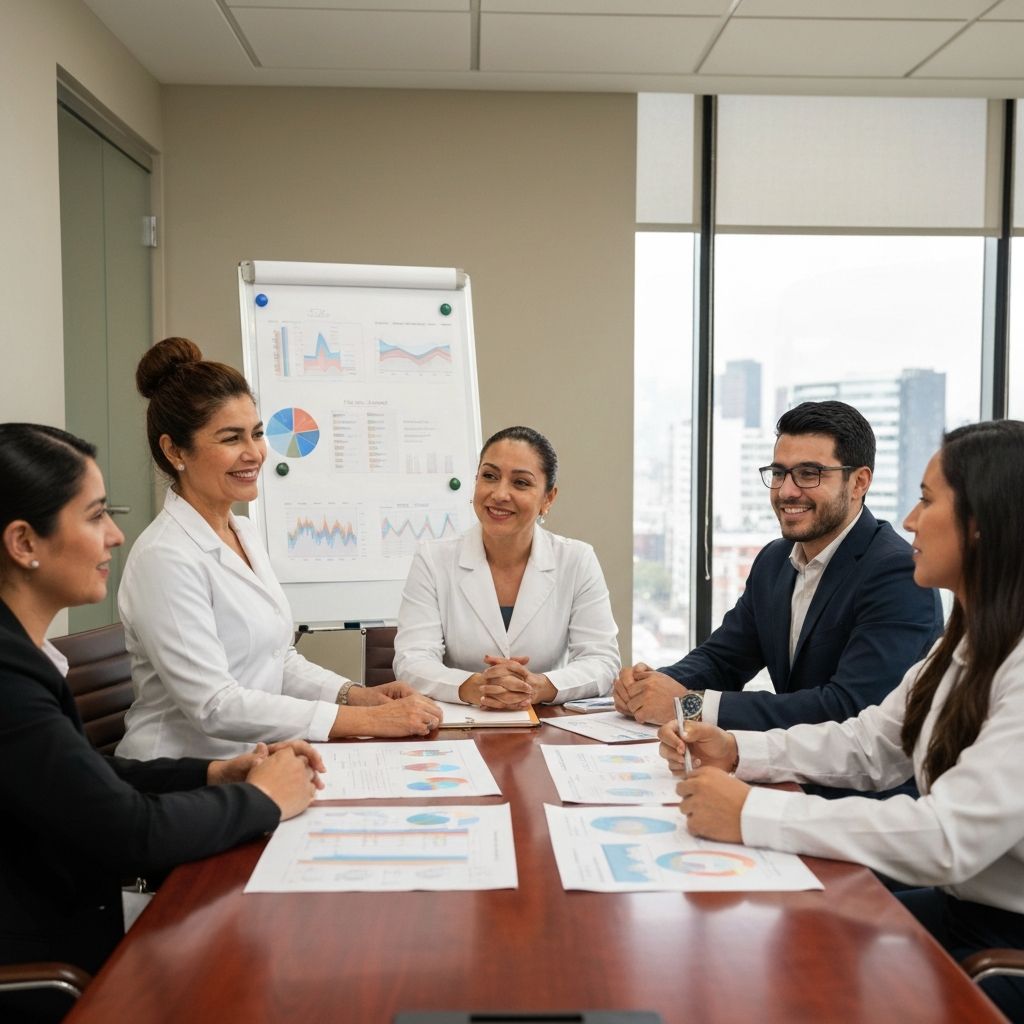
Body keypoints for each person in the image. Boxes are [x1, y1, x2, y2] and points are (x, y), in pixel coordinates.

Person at [658, 420, 1024, 1022]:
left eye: (929, 501)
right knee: (783, 937)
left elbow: (946, 838)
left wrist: (753, 811)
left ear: (984, 523)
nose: (909, 518)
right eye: (779, 472)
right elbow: (871, 743)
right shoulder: (969, 640)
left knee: (804, 976)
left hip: (1006, 943)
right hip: (963, 908)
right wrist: (736, 752)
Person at [0, 422, 321, 1018]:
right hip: (54, 975)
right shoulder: (8, 682)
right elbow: (129, 831)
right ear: (24, 544)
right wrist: (262, 801)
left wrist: (213, 775)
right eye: (95, 516)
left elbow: (85, 778)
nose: (116, 536)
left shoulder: (22, 659)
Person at [117, 338, 442, 761]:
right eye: (231, 438)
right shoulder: (164, 558)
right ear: (175, 450)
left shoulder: (244, 533)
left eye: (256, 433)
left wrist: (357, 696)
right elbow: (215, 705)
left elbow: (277, 660)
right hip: (180, 774)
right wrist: (368, 722)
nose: (254, 453)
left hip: (253, 759)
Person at [616, 401, 943, 736]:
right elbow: (723, 659)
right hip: (784, 766)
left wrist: (690, 706)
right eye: (778, 473)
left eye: (808, 473)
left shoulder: (898, 573)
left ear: (859, 483)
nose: (786, 491)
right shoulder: (775, 560)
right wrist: (649, 686)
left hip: (860, 785)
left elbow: (849, 708)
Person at [394, 425, 620, 708]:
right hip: (458, 728)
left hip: (546, 727)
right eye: (489, 476)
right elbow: (411, 660)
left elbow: (602, 660)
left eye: (521, 483)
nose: (500, 494)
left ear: (548, 498)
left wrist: (540, 687)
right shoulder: (433, 559)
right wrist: (470, 687)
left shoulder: (577, 560)